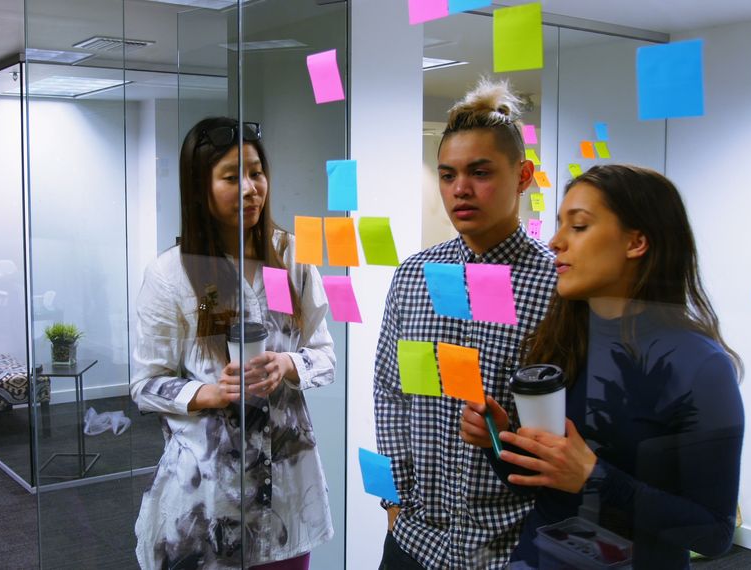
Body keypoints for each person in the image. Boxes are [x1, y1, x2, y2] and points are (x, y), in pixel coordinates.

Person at [460, 164, 745, 568]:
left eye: (578, 226)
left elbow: (714, 534)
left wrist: (595, 477)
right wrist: (498, 440)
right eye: (559, 225)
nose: (556, 242)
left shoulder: (700, 366)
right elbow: (541, 485)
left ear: (636, 242)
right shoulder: (560, 339)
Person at [131, 117, 335, 570]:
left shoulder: (291, 257)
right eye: (230, 177)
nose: (249, 189)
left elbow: (324, 356)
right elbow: (145, 385)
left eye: (256, 173)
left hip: (284, 492)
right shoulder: (171, 274)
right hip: (206, 498)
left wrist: (287, 364)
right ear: (199, 188)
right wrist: (210, 392)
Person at [374, 78, 557, 569]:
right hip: (416, 540)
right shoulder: (414, 276)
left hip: (511, 546)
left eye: (480, 172)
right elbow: (391, 394)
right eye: (448, 175)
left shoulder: (557, 286)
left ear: (523, 176)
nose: (461, 189)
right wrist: (395, 504)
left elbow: (565, 422)